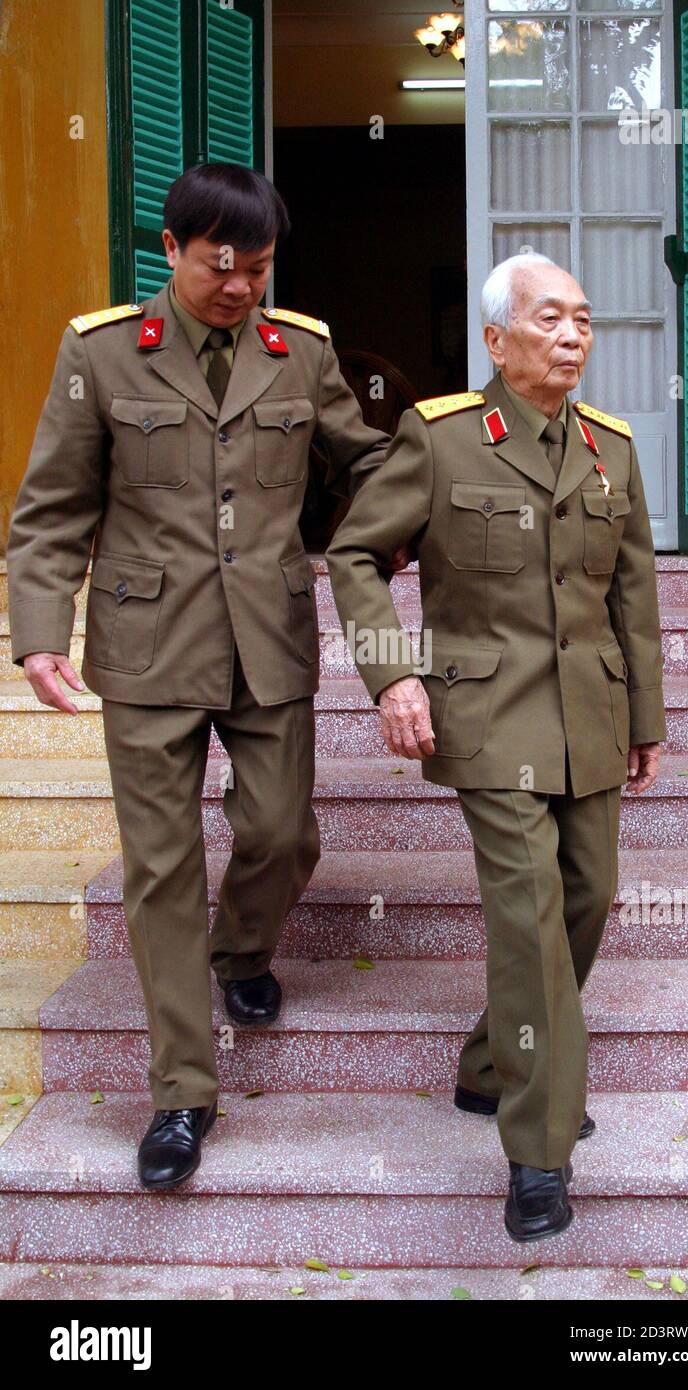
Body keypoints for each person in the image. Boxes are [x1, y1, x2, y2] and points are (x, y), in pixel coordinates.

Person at [7, 161, 407, 1191]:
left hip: (267, 635)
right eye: (221, 267)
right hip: (147, 648)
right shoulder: (102, 353)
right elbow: (51, 508)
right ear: (175, 251)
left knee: (281, 830)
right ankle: (182, 1093)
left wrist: (394, 522)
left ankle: (240, 952)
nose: (240, 288)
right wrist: (40, 630)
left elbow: (361, 461)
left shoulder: (300, 352)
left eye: (259, 269)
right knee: (161, 869)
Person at [325, 252, 666, 1242]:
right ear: (494, 339)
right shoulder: (438, 441)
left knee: (586, 896)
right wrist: (392, 674)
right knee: (524, 918)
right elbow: (352, 554)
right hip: (484, 721)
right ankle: (537, 1150)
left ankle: (489, 1064)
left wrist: (643, 715)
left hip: (587, 718)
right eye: (548, 318)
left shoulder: (609, 448)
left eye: (582, 320)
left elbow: (630, 597)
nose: (571, 336)